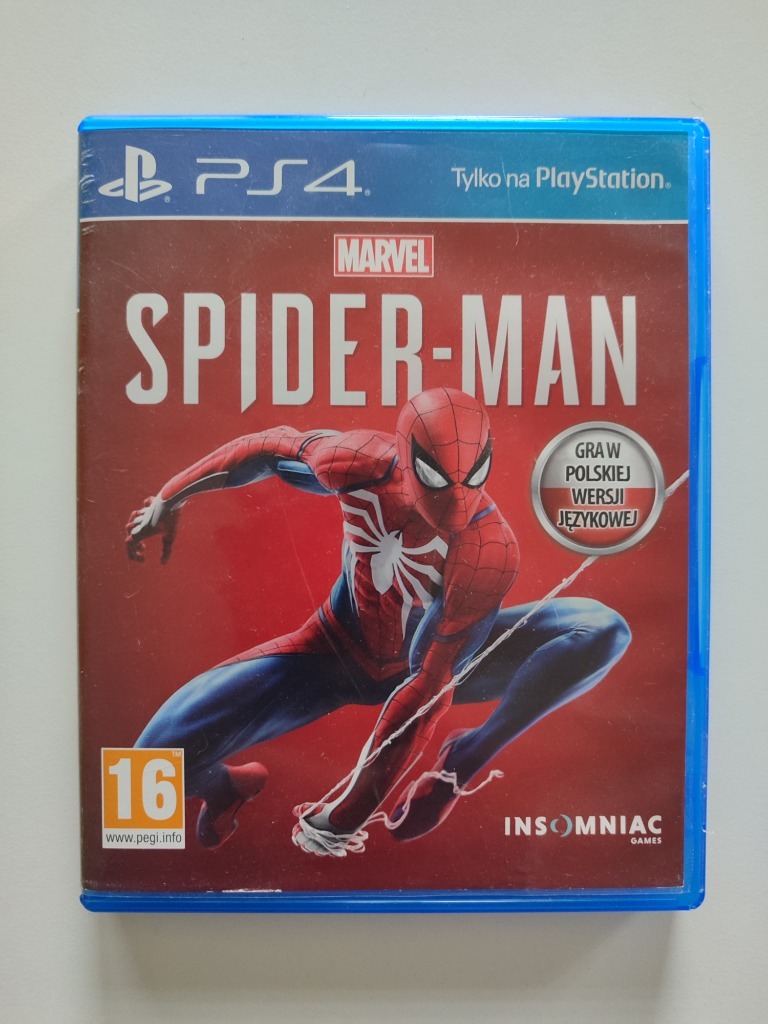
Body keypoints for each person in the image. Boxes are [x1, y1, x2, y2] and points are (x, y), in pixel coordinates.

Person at [127, 388, 630, 856]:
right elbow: (267, 448)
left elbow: (428, 688)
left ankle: (467, 757)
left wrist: (347, 815)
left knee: (602, 630)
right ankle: (227, 787)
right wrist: (169, 498)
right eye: (437, 478)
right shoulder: (359, 462)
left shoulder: (487, 548)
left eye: (472, 478)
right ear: (407, 460)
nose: (456, 502)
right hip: (331, 652)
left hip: (433, 662)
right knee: (144, 772)